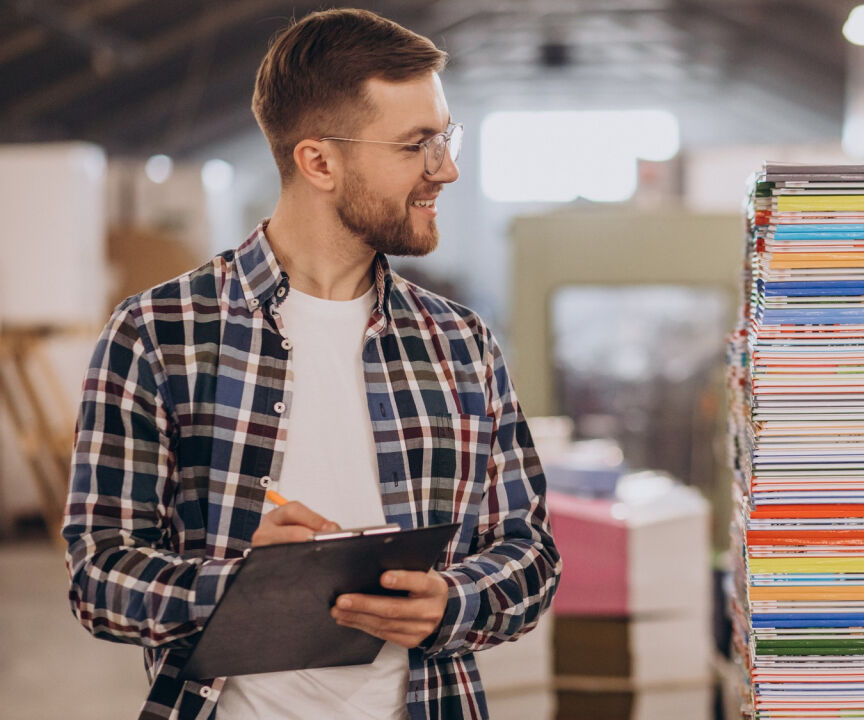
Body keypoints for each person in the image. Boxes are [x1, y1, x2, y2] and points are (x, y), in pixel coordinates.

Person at [62, 9, 560, 720]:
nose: (445, 170)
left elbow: (529, 553)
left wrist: (455, 602)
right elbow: (99, 577)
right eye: (417, 146)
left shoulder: (461, 343)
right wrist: (239, 584)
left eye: (443, 138)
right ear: (319, 161)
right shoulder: (157, 334)